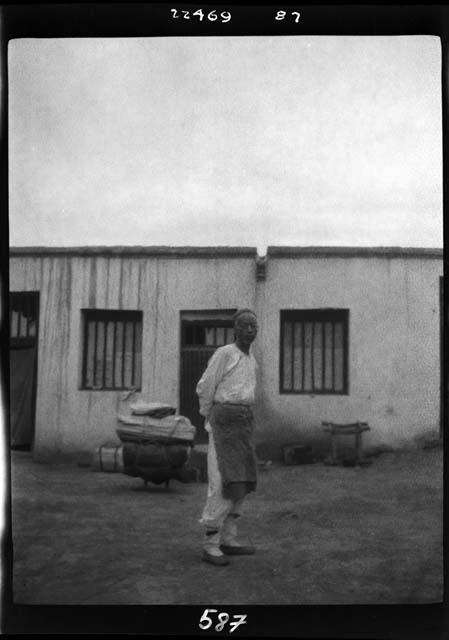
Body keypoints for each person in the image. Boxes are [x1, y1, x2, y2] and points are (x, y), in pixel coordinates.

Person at [196, 309, 259, 566]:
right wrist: (209, 415)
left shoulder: (252, 360)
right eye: (244, 326)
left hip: (243, 425)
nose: (250, 330)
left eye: (254, 326)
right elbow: (205, 386)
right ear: (235, 329)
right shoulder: (224, 354)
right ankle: (210, 544)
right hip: (223, 423)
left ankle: (229, 539)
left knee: (241, 481)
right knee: (222, 481)